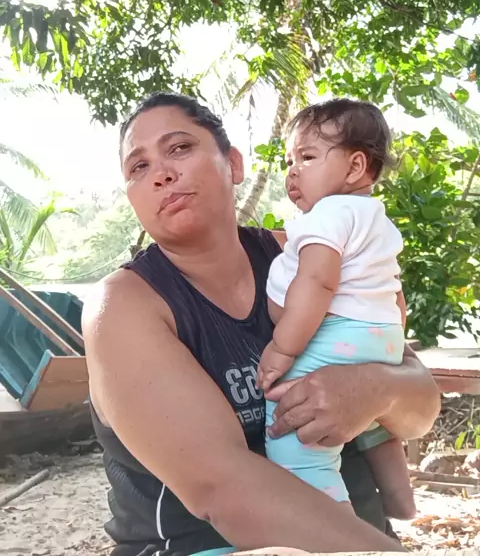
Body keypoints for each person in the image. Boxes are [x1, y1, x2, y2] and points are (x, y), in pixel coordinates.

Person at [82, 92, 440, 556]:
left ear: (234, 164)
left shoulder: (309, 255)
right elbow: (221, 489)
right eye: (138, 167)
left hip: (360, 534)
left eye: (179, 148)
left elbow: (420, 408)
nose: (161, 174)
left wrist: (376, 389)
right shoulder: (124, 305)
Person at [257, 99, 415, 520]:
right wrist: (393, 341)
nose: (293, 171)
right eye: (290, 161)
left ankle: (332, 523)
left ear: (355, 166)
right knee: (369, 418)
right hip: (378, 336)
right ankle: (399, 498)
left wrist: (283, 349)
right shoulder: (375, 217)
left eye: (307, 157)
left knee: (294, 434)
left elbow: (318, 282)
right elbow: (393, 291)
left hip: (336, 336)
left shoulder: (327, 215)